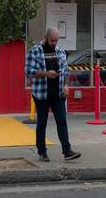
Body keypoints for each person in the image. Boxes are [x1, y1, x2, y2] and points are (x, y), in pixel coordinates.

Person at [25, 27, 81, 162]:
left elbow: (66, 71)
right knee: (42, 123)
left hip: (58, 94)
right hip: (42, 94)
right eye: (52, 40)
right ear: (45, 37)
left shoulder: (60, 51)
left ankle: (67, 151)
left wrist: (66, 85)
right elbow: (28, 72)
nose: (54, 43)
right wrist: (46, 74)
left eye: (56, 40)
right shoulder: (34, 51)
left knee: (62, 121)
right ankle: (42, 152)